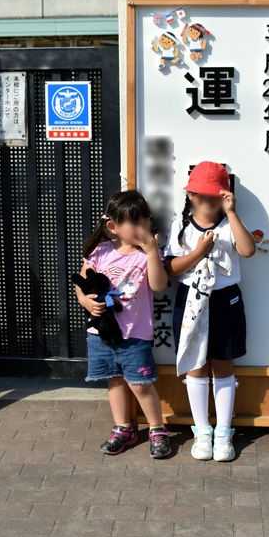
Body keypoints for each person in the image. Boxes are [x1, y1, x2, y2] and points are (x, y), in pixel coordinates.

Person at [164, 162, 256, 462]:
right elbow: (171, 268)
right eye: (201, 195)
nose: (208, 201)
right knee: (196, 366)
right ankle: (202, 431)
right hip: (191, 301)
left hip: (225, 301)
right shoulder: (180, 226)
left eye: (215, 195)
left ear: (224, 196)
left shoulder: (230, 223)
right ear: (190, 195)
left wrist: (231, 212)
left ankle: (223, 431)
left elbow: (247, 250)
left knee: (223, 366)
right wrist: (198, 253)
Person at [76, 190, 171, 459]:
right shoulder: (100, 252)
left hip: (135, 335)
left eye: (145, 220)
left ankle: (157, 429)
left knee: (141, 384)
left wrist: (152, 252)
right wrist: (85, 302)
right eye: (135, 222)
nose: (142, 227)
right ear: (113, 227)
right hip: (100, 334)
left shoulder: (147, 254)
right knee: (115, 383)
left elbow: (159, 285)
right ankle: (123, 429)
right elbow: (81, 284)